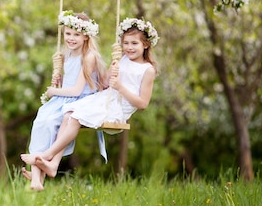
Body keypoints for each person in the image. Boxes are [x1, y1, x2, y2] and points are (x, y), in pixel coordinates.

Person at [21, 17, 159, 181]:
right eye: (126, 43)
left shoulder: (147, 70)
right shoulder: (122, 59)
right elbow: (105, 83)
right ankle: (53, 165)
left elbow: (143, 103)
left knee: (75, 117)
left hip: (118, 108)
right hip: (104, 98)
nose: (129, 47)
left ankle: (47, 154)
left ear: (146, 44)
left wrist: (120, 87)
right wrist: (112, 68)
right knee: (68, 113)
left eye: (134, 43)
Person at [23, 10, 106, 191]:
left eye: (76, 35)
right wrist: (58, 79)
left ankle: (41, 170)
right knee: (41, 122)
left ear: (85, 36)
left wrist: (54, 91)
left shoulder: (89, 56)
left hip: (79, 100)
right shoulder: (66, 54)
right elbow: (69, 81)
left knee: (52, 121)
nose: (71, 38)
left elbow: (77, 90)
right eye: (68, 33)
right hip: (63, 99)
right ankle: (36, 179)